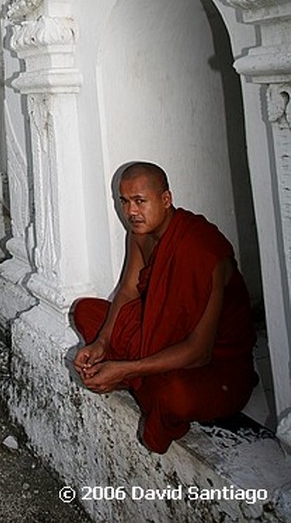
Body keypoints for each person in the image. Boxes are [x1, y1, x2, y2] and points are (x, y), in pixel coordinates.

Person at [72, 162, 257, 453]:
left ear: (166, 199)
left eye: (140, 201)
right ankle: (138, 379)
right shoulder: (139, 234)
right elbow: (127, 292)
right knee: (85, 311)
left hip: (215, 367)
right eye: (124, 201)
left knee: (173, 397)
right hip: (160, 341)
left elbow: (199, 352)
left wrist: (123, 370)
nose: (131, 211)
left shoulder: (202, 248)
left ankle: (133, 380)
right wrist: (101, 343)